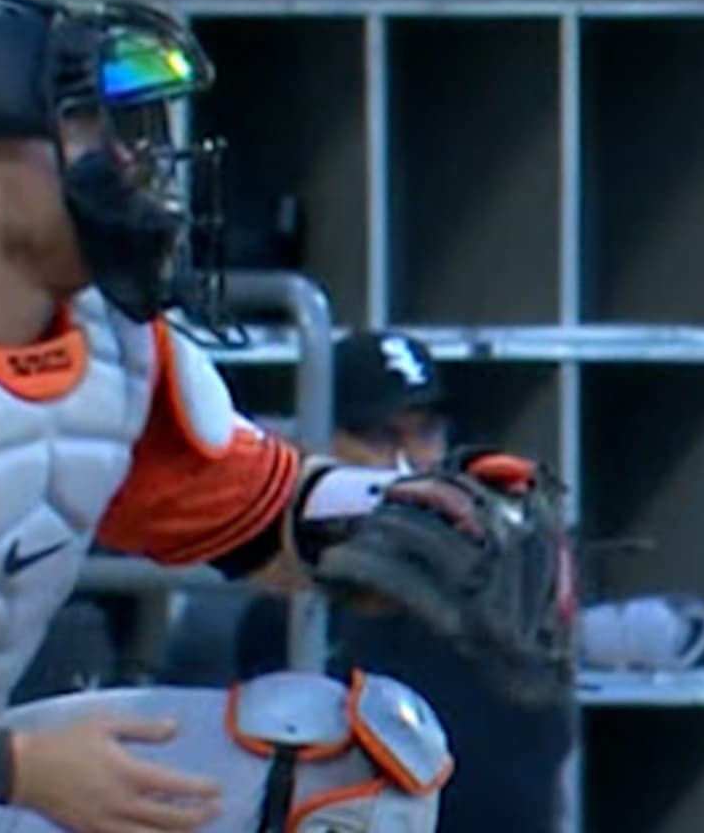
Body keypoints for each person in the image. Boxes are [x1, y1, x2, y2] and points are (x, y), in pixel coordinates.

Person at [0, 0, 482, 832]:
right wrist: (17, 770)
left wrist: (406, 521)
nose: (124, 162)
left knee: (356, 756)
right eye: (81, 130)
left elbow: (253, 515)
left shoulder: (112, 345)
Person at [235, 332, 575, 832]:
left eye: (426, 432)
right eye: (379, 436)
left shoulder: (495, 576)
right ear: (320, 444)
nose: (408, 459)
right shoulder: (277, 610)